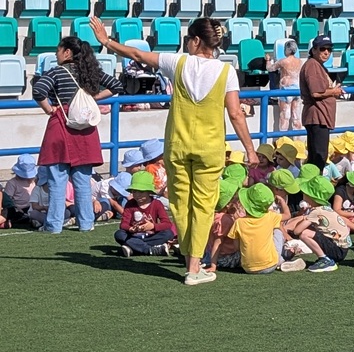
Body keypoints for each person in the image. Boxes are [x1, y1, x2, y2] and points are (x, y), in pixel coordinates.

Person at [91, 16, 257, 286]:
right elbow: (236, 113)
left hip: (177, 146)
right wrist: (250, 149)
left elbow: (136, 53)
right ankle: (194, 266)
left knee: (180, 204)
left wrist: (107, 41)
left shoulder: (178, 62)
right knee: (203, 206)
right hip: (210, 148)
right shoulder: (227, 72)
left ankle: (188, 256)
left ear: (195, 41)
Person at [31, 36, 123, 234]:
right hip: (85, 129)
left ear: (67, 52)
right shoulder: (90, 72)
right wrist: (91, 98)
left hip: (62, 125)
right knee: (82, 181)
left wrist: (48, 109)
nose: (56, 54)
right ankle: (86, 223)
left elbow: (38, 90)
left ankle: (54, 225)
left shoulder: (56, 72)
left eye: (58, 50)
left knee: (57, 181)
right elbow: (117, 86)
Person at [300, 37, 342, 169]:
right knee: (319, 156)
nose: (326, 52)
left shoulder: (318, 66)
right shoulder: (312, 65)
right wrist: (334, 91)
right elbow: (316, 93)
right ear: (313, 50)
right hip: (317, 115)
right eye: (322, 49)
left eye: (329, 49)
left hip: (320, 116)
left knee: (317, 156)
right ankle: (314, 185)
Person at [115, 171, 177, 257]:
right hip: (134, 236)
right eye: (134, 191)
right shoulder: (130, 204)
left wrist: (153, 226)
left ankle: (134, 248)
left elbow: (167, 224)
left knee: (168, 233)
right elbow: (123, 224)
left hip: (152, 236)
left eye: (141, 192)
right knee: (119, 234)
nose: (137, 195)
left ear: (149, 192)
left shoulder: (157, 204)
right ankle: (151, 250)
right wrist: (131, 229)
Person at [266, 39, 303, 135]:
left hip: (286, 90)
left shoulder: (283, 61)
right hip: (297, 90)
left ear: (287, 49)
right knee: (296, 117)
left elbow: (270, 69)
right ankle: (298, 142)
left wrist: (268, 60)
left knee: (285, 117)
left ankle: (283, 140)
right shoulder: (300, 61)